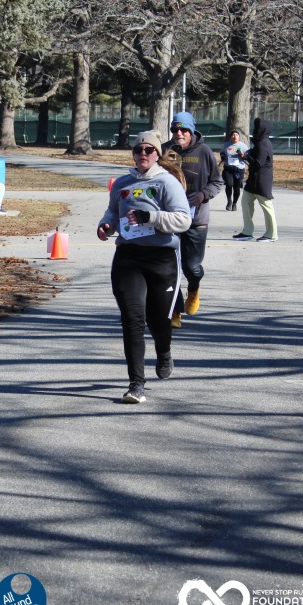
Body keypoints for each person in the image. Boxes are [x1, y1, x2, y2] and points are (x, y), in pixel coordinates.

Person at [97, 131, 192, 403]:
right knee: (132, 319)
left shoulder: (167, 182)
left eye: (149, 150)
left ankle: (164, 352)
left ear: (157, 154)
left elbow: (183, 220)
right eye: (138, 150)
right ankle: (136, 384)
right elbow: (113, 211)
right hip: (128, 257)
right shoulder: (122, 184)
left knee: (159, 321)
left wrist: (149, 217)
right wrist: (106, 225)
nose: (143, 154)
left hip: (162, 258)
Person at [161, 111, 223, 326]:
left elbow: (217, 182)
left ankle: (194, 289)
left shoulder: (204, 151)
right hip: (169, 217)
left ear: (191, 131)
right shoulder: (165, 150)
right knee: (170, 267)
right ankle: (174, 310)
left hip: (197, 219)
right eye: (175, 129)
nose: (179, 133)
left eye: (184, 130)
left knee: (192, 267)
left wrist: (203, 195)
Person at [233, 118, 278, 242]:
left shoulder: (264, 144)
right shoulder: (259, 143)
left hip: (262, 180)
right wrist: (245, 155)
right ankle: (247, 232)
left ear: (263, 130)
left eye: (258, 128)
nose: (255, 131)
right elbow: (253, 154)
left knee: (267, 207)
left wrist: (246, 157)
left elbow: (258, 163)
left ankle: (272, 234)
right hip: (253, 180)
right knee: (246, 202)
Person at [219, 130, 248, 211]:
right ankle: (229, 201)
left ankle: (234, 203)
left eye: (236, 135)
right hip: (228, 168)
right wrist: (223, 157)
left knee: (237, 187)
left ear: (239, 137)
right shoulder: (226, 145)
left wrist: (242, 155)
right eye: (233, 135)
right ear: (230, 137)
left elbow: (248, 155)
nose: (235, 136)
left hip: (239, 169)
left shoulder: (243, 146)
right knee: (229, 184)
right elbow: (222, 152)